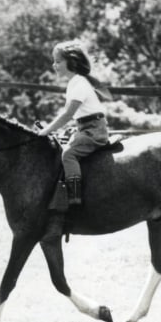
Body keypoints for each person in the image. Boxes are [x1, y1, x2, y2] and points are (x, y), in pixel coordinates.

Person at [37, 41, 113, 206]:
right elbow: (77, 116)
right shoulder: (74, 83)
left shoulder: (79, 84)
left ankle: (74, 196)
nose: (54, 65)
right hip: (85, 127)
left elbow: (67, 115)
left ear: (71, 62)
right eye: (54, 61)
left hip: (94, 131)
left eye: (58, 61)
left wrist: (46, 131)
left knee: (68, 154)